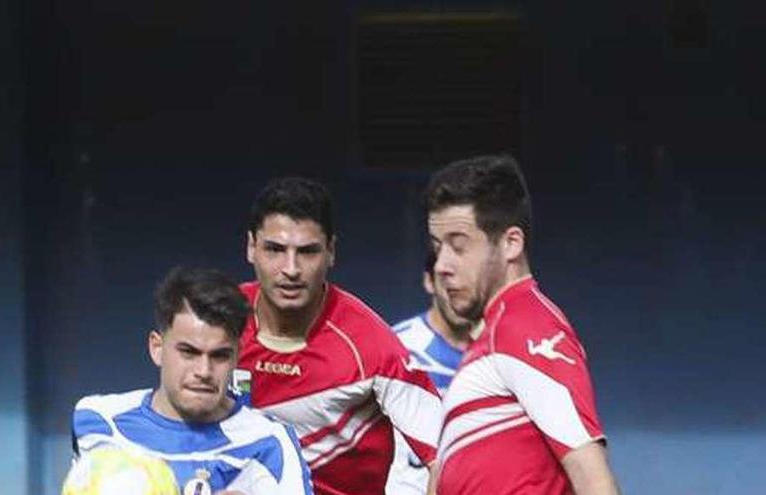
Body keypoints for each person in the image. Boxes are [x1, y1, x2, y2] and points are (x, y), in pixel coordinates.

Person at [425, 155, 621, 494]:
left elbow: (594, 481)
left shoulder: (527, 326)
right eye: (437, 248)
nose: (442, 265)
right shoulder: (495, 334)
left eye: (459, 247)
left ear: (510, 244)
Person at [235, 177, 442, 495]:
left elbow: (447, 456)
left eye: (307, 252)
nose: (290, 268)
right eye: (275, 249)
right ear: (251, 247)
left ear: (331, 251)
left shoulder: (372, 347)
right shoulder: (222, 323)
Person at [70, 266, 313, 495]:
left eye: (219, 355)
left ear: (237, 356)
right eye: (188, 352)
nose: (204, 371)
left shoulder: (269, 442)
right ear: (157, 348)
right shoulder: (98, 420)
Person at [386, 253, 475, 495]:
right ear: (429, 280)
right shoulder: (396, 350)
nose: (457, 289)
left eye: (468, 278)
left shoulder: (503, 356)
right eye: (447, 277)